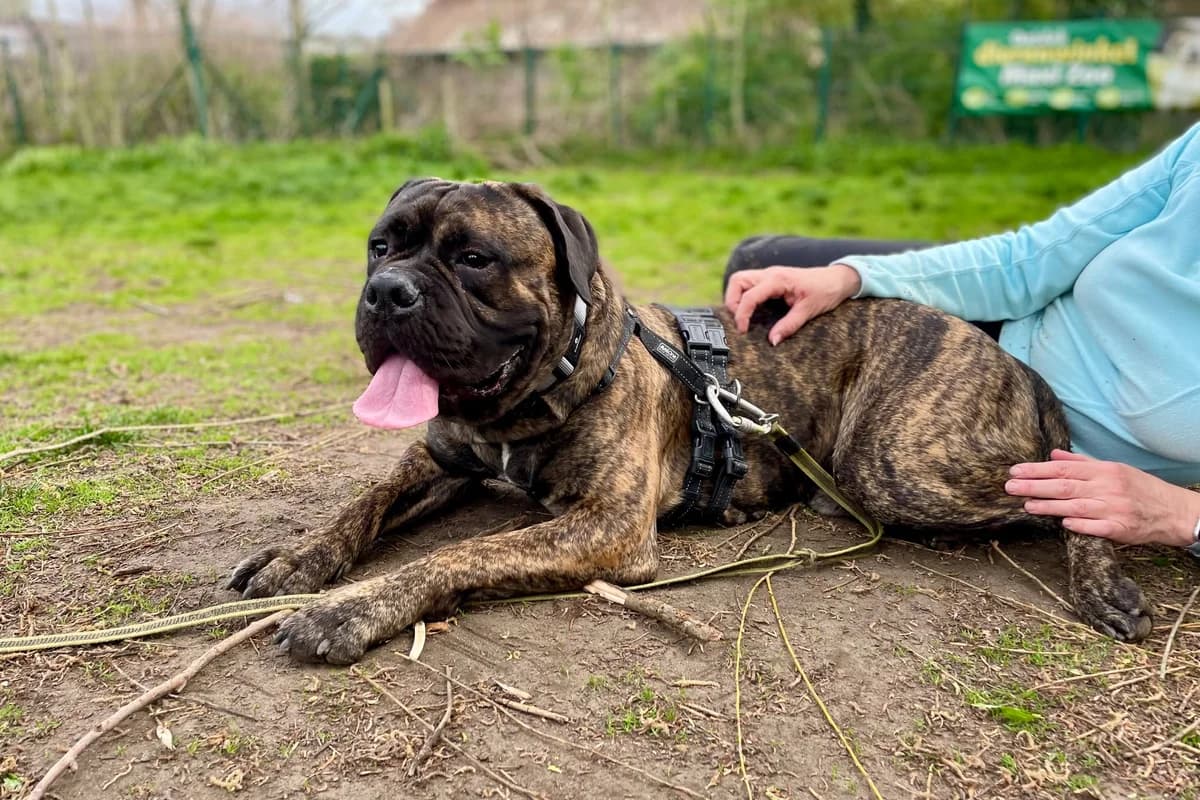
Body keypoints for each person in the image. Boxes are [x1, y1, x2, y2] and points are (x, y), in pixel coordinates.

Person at [723, 122, 1200, 554]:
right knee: (758, 271)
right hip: (1000, 336)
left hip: (1037, 440)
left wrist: (1185, 516)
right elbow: (1033, 257)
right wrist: (852, 278)